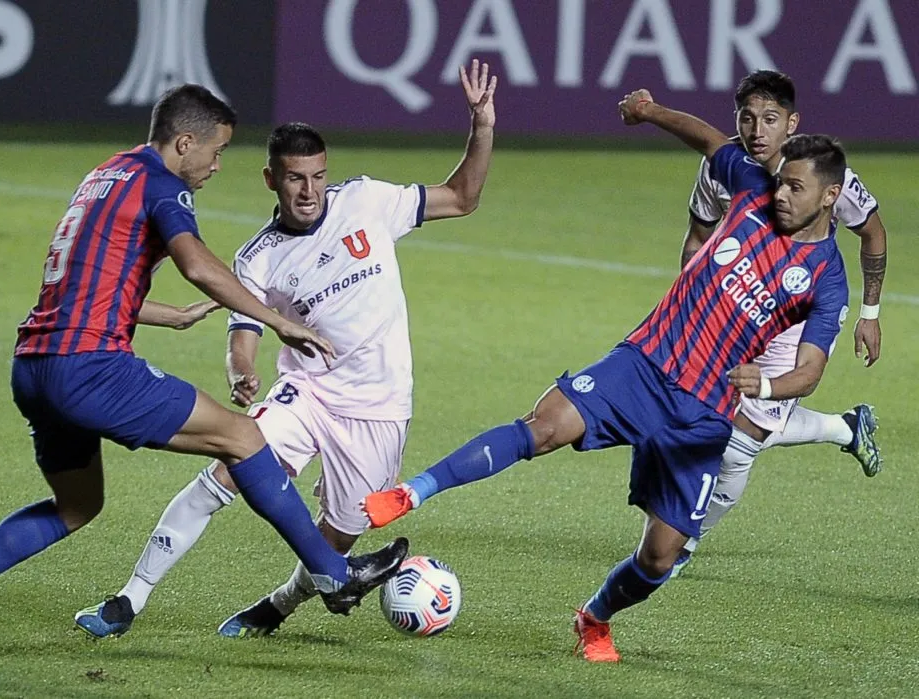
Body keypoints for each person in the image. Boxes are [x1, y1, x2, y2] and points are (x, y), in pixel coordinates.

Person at [0, 84, 407, 670]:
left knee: (76, 505)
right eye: (216, 151)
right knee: (243, 437)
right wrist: (276, 321)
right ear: (185, 142)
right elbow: (197, 264)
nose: (217, 165)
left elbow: (85, 283)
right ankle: (333, 573)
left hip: (35, 365)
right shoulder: (162, 185)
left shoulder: (107, 174)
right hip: (89, 367)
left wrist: (171, 316)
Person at [364, 91, 852, 663]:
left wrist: (764, 387)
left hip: (703, 413)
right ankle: (411, 493)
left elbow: (810, 371)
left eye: (795, 187)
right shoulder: (751, 188)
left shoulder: (826, 277)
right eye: (782, 181)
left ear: (830, 195)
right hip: (644, 365)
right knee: (544, 427)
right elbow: (708, 139)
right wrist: (651, 113)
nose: (781, 194)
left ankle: (595, 618)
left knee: (659, 558)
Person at [74, 60, 498, 640]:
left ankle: (275, 606)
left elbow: (463, 197)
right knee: (225, 471)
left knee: (339, 536)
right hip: (307, 392)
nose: (309, 191)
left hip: (379, 406)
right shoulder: (259, 257)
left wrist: (481, 125)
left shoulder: (366, 202)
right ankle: (129, 598)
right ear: (271, 179)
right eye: (296, 178)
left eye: (318, 176)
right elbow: (243, 328)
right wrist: (241, 369)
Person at [672, 71, 886, 573]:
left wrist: (870, 314)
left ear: (791, 123)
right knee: (706, 412)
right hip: (736, 303)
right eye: (747, 118)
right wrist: (688, 302)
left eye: (770, 119)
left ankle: (685, 542)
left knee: (741, 440)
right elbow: (698, 237)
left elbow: (874, 234)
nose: (757, 130)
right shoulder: (720, 168)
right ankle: (845, 428)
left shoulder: (825, 175)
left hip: (798, 315)